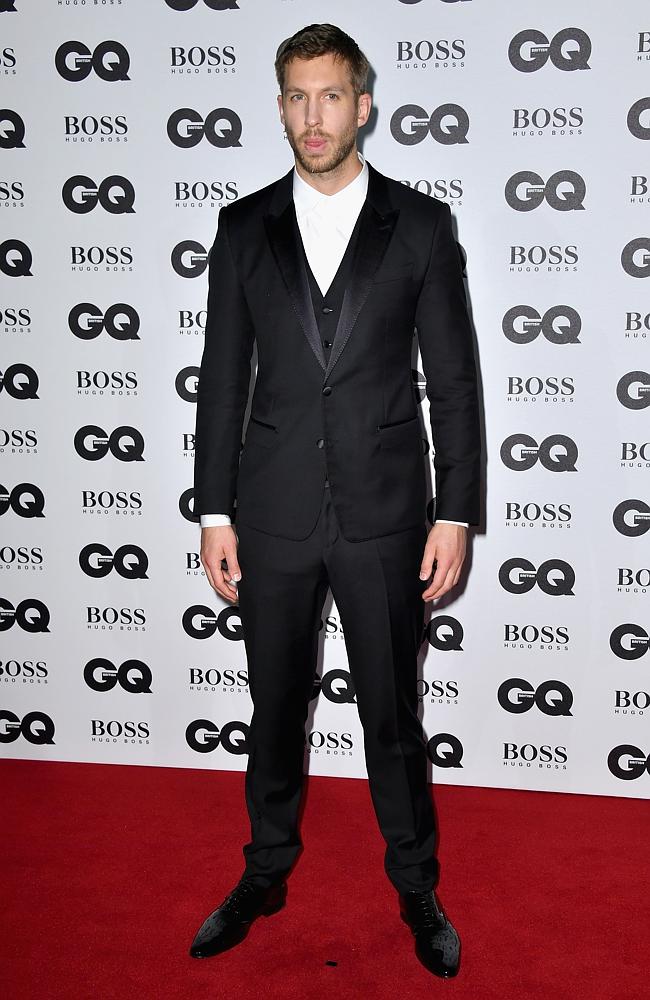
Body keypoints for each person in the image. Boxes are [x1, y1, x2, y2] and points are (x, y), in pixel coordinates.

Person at [190, 23, 481, 980]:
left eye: (330, 96)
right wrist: (213, 511)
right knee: (273, 705)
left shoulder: (424, 226)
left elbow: (456, 380)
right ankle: (265, 871)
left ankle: (414, 885)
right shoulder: (241, 228)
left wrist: (454, 513)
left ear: (363, 105)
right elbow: (223, 379)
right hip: (270, 513)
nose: (312, 116)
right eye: (295, 96)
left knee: (392, 715)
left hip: (388, 513)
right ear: (280, 106)